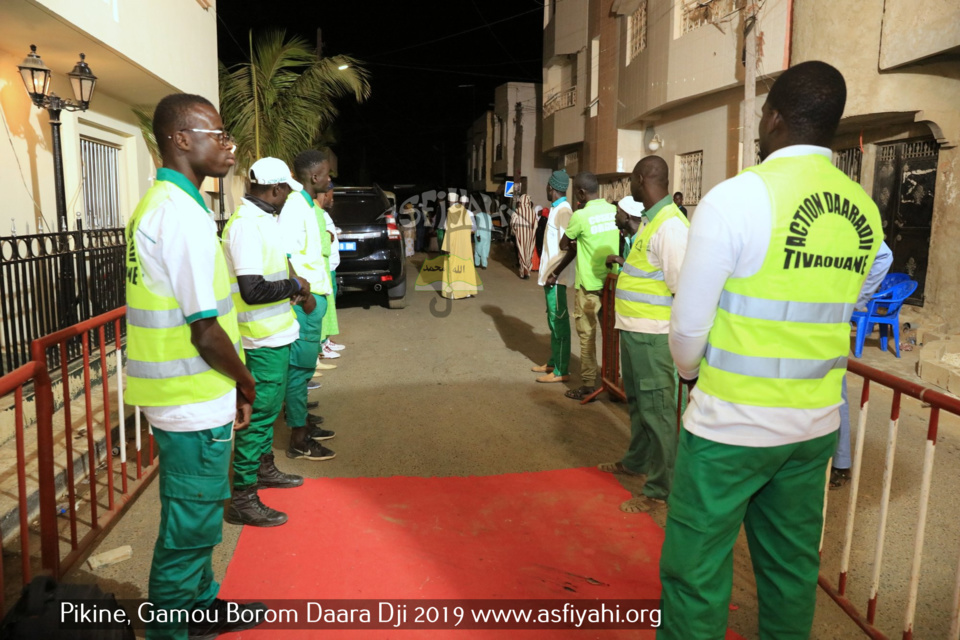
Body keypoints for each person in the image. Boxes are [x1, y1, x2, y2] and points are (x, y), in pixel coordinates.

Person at [661, 61, 884, 639]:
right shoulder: (863, 209)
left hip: (729, 427)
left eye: (762, 113)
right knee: (790, 572)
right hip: (811, 428)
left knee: (696, 573)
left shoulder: (736, 199)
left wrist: (689, 374)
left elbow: (688, 327)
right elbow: (852, 294)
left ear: (776, 117)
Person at [124, 93, 265, 639]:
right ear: (181, 140)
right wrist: (247, 382)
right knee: (188, 532)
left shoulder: (167, 204)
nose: (228, 143)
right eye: (217, 133)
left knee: (200, 521)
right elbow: (205, 330)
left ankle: (202, 607)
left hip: (189, 392)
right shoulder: (179, 215)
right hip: (189, 399)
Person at [221, 157, 315, 528]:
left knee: (267, 412)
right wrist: (295, 287)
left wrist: (293, 288)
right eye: (286, 192)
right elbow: (253, 289)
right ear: (274, 189)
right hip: (259, 339)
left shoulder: (262, 221)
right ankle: (242, 496)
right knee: (258, 418)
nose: (287, 198)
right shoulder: (246, 226)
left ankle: (263, 469)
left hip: (274, 333)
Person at [597, 157, 689, 513]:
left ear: (640, 180)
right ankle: (636, 461)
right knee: (639, 406)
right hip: (635, 332)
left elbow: (683, 291)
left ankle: (661, 488)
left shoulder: (671, 227)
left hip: (654, 337)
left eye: (629, 182)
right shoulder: (651, 222)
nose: (628, 189)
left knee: (659, 411)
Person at [282, 149, 338, 451]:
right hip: (306, 303)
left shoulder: (305, 205)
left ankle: (302, 422)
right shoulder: (295, 207)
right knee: (299, 371)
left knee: (304, 370)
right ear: (314, 177)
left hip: (314, 299)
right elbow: (284, 255)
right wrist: (303, 297)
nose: (329, 179)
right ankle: (299, 440)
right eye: (327, 174)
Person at [547, 172, 619, 401]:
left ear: (580, 192)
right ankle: (613, 380)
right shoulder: (613, 211)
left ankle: (589, 384)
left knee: (587, 337)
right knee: (611, 336)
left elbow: (564, 243)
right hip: (611, 285)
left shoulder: (580, 215)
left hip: (588, 288)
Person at [831, 240, 893, 488]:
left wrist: (855, 300)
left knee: (836, 394)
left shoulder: (844, 213)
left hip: (827, 325)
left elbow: (883, 255)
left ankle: (840, 463)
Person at [533, 170, 575, 384]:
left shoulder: (563, 212)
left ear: (551, 187)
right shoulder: (558, 209)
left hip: (556, 279)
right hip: (550, 277)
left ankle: (561, 370)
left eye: (547, 187)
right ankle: (553, 361)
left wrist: (555, 274)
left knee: (559, 323)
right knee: (552, 321)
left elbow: (570, 248)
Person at [319, 187, 345, 360]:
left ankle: (326, 341)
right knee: (324, 309)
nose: (333, 199)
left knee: (330, 307)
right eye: (332, 195)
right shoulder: (315, 213)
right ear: (325, 193)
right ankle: (321, 346)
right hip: (324, 267)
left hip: (331, 266)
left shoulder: (322, 213)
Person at [440, 192, 480, 299]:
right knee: (466, 267)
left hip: (453, 245)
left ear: (449, 202)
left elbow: (447, 229)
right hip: (465, 245)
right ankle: (466, 291)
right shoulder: (467, 213)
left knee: (453, 267)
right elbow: (473, 228)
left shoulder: (451, 212)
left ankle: (453, 293)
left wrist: (446, 247)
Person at [511, 188, 537, 279]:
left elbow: (513, 223)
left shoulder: (517, 212)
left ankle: (523, 272)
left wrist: (515, 232)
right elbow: (536, 225)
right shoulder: (533, 212)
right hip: (530, 236)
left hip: (521, 236)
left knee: (521, 253)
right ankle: (527, 272)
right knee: (529, 253)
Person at [473, 202, 493, 269]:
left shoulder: (478, 215)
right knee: (484, 249)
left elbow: (477, 226)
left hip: (480, 233)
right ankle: (484, 265)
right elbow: (491, 227)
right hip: (487, 235)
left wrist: (478, 235)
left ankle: (477, 263)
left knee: (477, 248)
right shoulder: (489, 216)